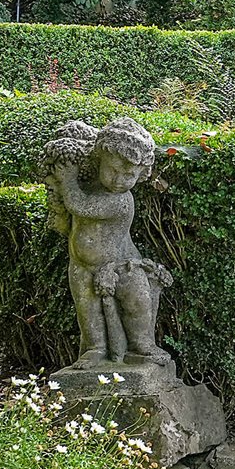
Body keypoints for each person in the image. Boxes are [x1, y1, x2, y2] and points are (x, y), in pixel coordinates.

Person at [42, 117, 173, 364]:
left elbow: (80, 205)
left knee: (137, 305)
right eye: (113, 170)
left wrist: (67, 179)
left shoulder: (121, 201)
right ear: (100, 159)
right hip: (81, 265)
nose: (118, 181)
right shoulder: (92, 184)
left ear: (140, 174)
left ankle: (143, 345)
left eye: (128, 175)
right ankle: (96, 348)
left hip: (122, 265)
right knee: (87, 312)